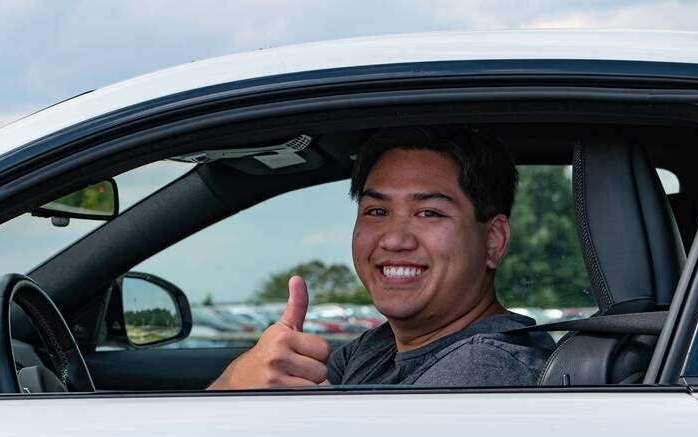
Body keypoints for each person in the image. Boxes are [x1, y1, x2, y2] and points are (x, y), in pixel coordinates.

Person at [207, 126, 556, 389]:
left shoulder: (482, 369)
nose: (394, 239)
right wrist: (239, 378)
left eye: (429, 213)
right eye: (376, 211)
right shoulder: (378, 348)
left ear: (494, 241)